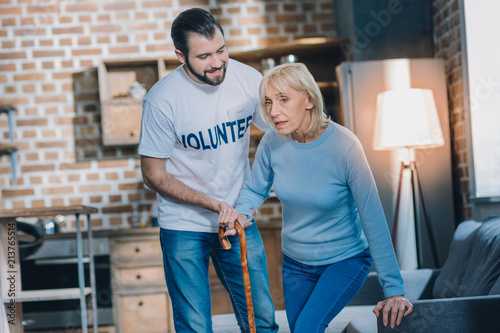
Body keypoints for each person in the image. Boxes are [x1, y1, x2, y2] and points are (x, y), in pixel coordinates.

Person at [222, 63, 413, 332]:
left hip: (345, 260)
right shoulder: (272, 142)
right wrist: (242, 212)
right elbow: (255, 189)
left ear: (309, 99)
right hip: (295, 263)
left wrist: (394, 289)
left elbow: (372, 217)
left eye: (284, 100)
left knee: (306, 328)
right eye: (268, 102)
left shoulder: (345, 146)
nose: (274, 112)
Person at [138, 8, 278, 333]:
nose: (216, 62)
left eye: (221, 50)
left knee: (263, 322)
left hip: (239, 219)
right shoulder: (162, 101)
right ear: (180, 56)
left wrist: (250, 199)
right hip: (183, 225)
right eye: (203, 56)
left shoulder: (247, 79)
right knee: (195, 327)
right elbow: (153, 175)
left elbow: (279, 134)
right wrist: (214, 204)